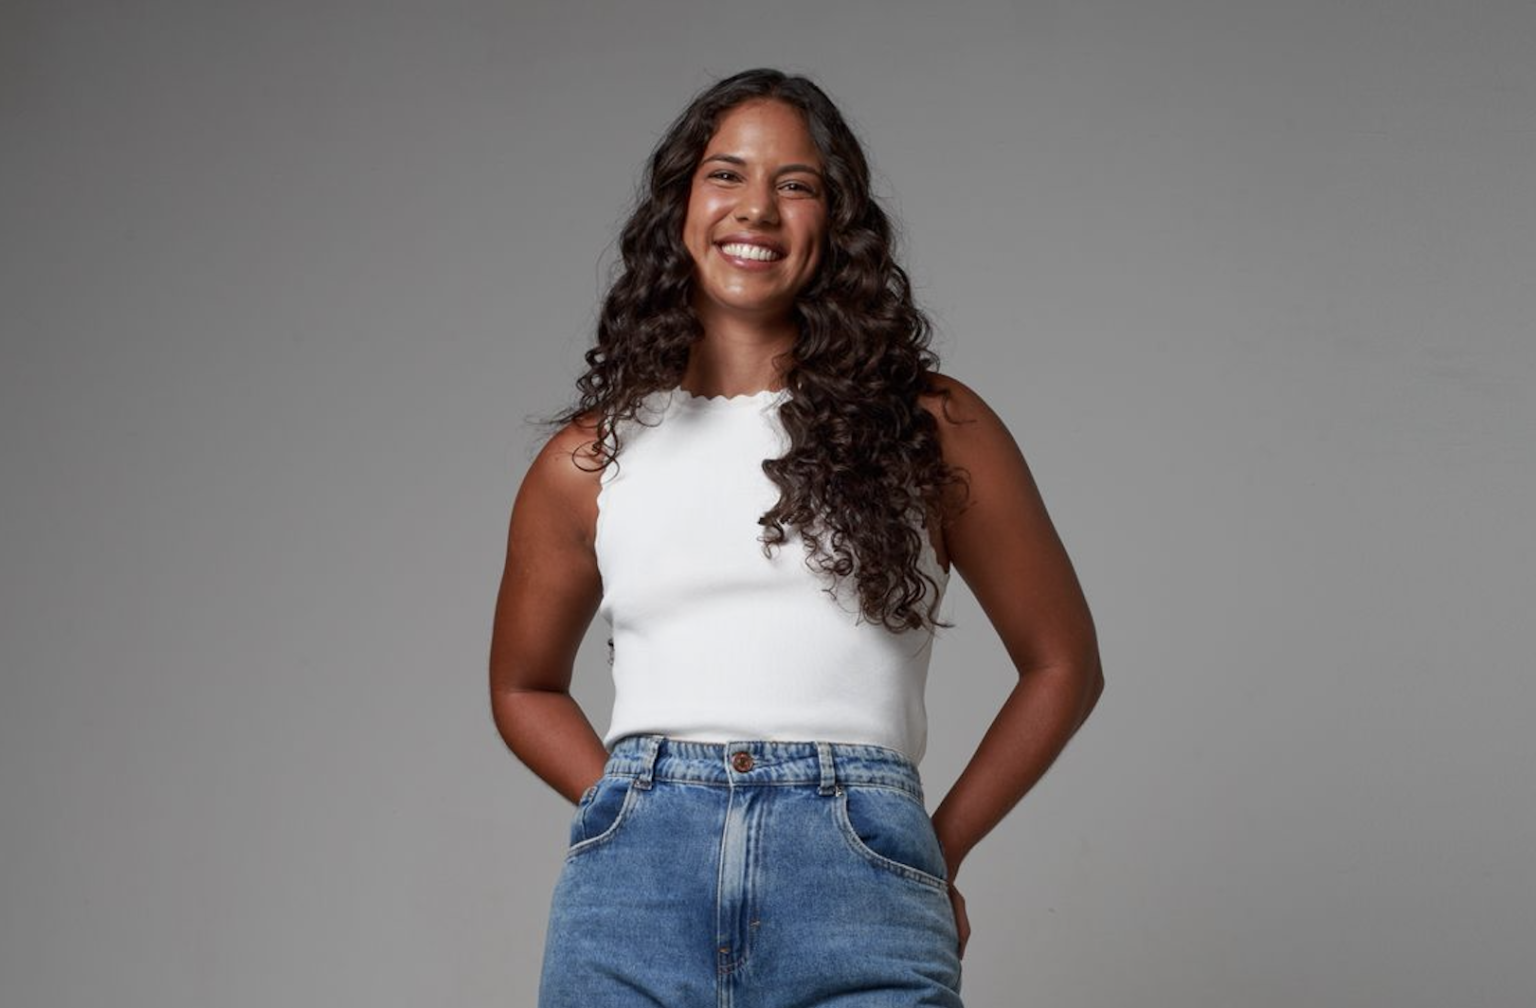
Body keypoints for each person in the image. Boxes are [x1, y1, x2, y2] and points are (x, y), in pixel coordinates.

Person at [489, 67, 1103, 1007]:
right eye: (726, 175)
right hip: (631, 902)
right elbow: (522, 685)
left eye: (796, 184)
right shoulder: (590, 460)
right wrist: (628, 805)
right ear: (681, 206)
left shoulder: (930, 428)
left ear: (837, 222)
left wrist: (929, 853)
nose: (758, 210)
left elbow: (1063, 664)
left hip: (859, 884)